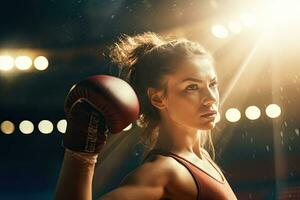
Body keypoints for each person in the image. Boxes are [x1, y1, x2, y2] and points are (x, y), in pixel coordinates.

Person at [54, 32, 237, 200]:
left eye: (212, 84)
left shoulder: (200, 157)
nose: (211, 98)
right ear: (158, 98)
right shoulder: (163, 172)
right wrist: (80, 157)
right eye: (192, 87)